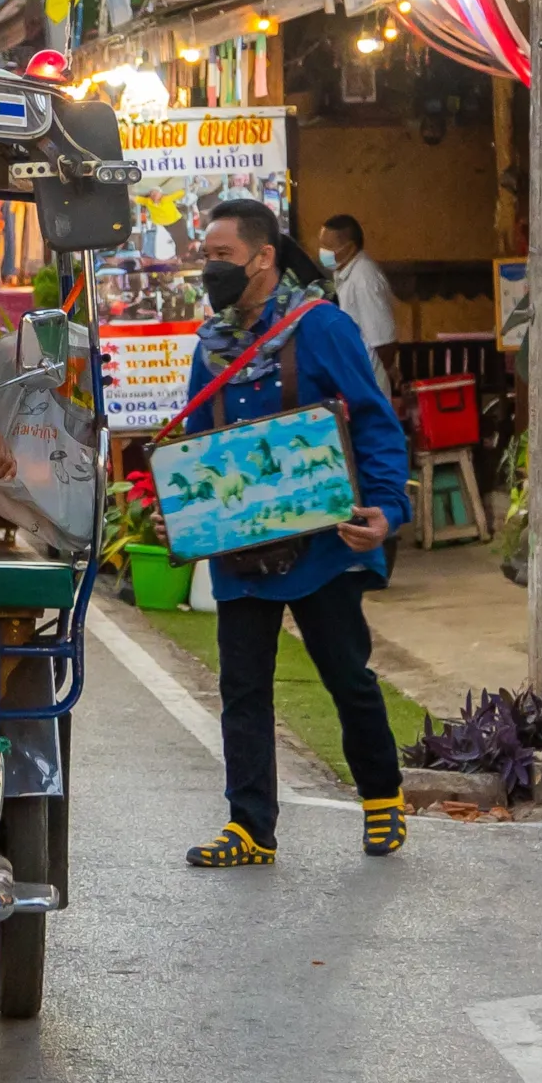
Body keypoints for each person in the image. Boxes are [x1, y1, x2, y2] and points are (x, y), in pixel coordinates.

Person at [176, 198, 414, 868]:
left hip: (323, 545)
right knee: (243, 687)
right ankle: (250, 827)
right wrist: (182, 502)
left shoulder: (323, 328)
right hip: (241, 546)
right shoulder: (211, 344)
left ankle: (381, 794)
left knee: (346, 675)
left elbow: (373, 421)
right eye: (206, 258)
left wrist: (387, 510)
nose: (211, 269)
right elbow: (200, 440)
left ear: (263, 258)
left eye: (222, 257)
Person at [320, 213, 399, 359]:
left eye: (329, 247)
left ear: (349, 247)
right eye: (322, 245)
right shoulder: (342, 272)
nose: (323, 252)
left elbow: (384, 344)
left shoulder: (364, 278)